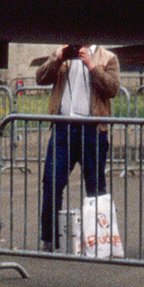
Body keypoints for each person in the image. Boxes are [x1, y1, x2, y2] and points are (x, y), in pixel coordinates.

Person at [35, 43, 120, 251]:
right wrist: (57, 58)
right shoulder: (63, 55)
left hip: (93, 130)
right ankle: (49, 238)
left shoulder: (108, 57)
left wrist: (92, 66)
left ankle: (99, 241)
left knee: (95, 187)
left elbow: (112, 89)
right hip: (63, 128)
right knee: (52, 183)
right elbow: (40, 78)